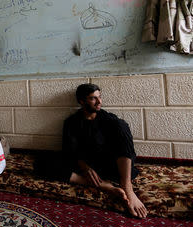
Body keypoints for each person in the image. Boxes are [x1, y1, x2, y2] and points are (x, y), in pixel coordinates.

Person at [62, 83, 147, 219]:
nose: (99, 102)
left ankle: (127, 188)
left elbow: (125, 151)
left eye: (99, 97)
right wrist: (85, 167)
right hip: (88, 168)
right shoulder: (71, 122)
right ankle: (105, 186)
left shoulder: (110, 120)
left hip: (112, 167)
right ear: (81, 101)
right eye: (93, 98)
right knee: (42, 163)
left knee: (122, 125)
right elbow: (69, 151)